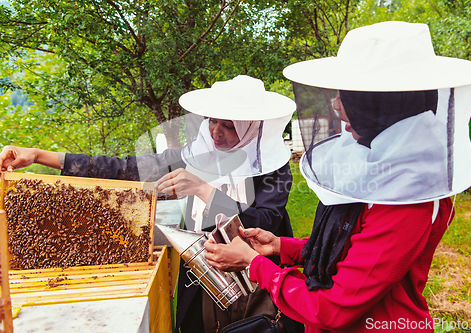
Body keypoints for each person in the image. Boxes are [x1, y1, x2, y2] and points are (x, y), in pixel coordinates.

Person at [204, 21, 471, 332]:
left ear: (384, 104)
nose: (336, 105)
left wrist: (254, 263)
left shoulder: (410, 196)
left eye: (349, 96)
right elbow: (353, 246)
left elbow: (332, 308)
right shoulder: (380, 161)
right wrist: (280, 247)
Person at [0, 75, 304, 333]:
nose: (216, 131)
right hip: (201, 283)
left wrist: (202, 189)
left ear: (253, 126)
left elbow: (264, 224)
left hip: (257, 283)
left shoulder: (273, 168)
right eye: (212, 121)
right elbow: (122, 169)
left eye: (229, 125)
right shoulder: (194, 155)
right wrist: (40, 156)